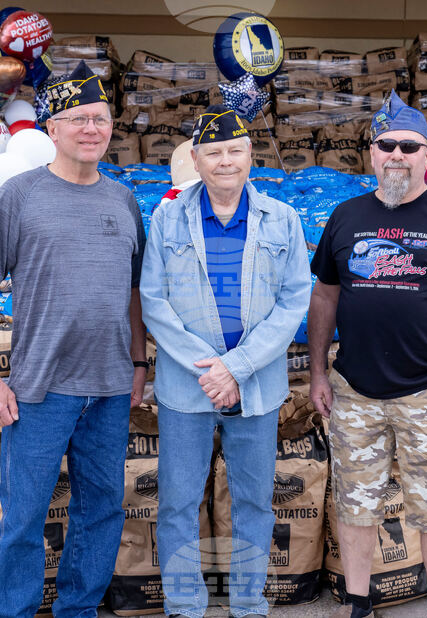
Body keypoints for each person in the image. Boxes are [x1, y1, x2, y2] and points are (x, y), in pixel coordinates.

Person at [307, 90, 427, 618]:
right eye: (386, 144)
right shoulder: (346, 217)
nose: (397, 154)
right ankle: (359, 603)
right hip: (354, 390)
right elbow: (324, 296)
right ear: (371, 152)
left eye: (409, 146)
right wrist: (318, 372)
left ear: (425, 154)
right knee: (355, 504)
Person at [0, 61, 147, 618]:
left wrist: (139, 364)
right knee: (23, 516)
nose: (90, 129)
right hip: (40, 390)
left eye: (99, 118)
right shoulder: (20, 197)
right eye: (77, 119)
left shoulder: (124, 200)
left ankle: (78, 610)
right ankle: (11, 612)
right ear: (51, 128)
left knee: (100, 511)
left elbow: (134, 293)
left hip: (112, 388)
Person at [140, 105, 310, 618]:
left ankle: (248, 604)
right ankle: (184, 606)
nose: (225, 161)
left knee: (255, 503)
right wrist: (210, 368)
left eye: (234, 150)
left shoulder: (282, 219)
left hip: (255, 385)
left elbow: (294, 301)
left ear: (250, 155)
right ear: (196, 159)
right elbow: (153, 300)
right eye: (213, 152)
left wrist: (236, 368)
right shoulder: (167, 217)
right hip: (186, 388)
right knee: (177, 503)